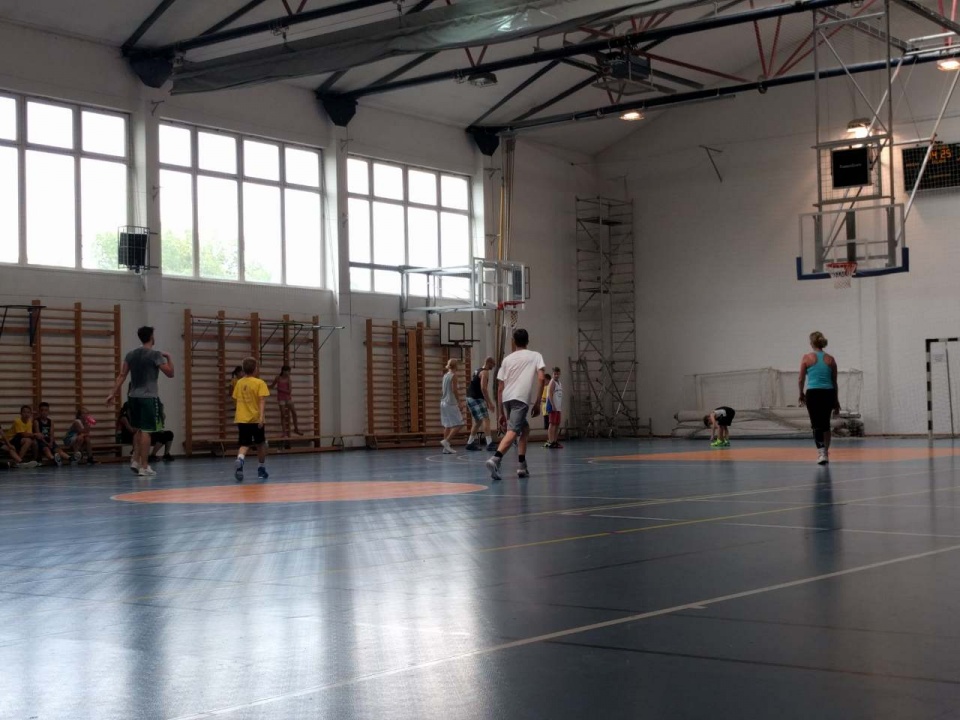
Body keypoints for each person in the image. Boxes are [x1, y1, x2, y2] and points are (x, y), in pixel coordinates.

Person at [106, 325, 175, 477]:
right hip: (148, 397)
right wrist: (169, 357)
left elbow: (122, 375)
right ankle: (144, 466)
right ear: (151, 337)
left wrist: (112, 393)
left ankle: (135, 460)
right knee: (146, 431)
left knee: (137, 429)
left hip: (133, 397)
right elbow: (170, 373)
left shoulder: (130, 354)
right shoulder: (155, 355)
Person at [486, 328, 546, 482]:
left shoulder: (507, 360)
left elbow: (500, 388)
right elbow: (541, 378)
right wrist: (538, 402)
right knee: (513, 431)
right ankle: (495, 459)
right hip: (520, 398)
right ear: (528, 341)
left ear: (514, 342)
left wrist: (500, 413)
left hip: (507, 398)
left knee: (524, 429)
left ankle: (521, 465)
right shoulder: (535, 355)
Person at [799, 331, 841, 465]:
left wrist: (801, 393)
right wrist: (836, 400)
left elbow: (801, 379)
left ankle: (821, 453)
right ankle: (825, 453)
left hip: (813, 393)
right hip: (828, 393)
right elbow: (834, 382)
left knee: (816, 425)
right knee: (825, 424)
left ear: (812, 343)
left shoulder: (806, 358)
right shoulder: (831, 359)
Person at [233, 356, 270, 482]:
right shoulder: (259, 383)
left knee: (244, 444)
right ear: (255, 369)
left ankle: (240, 459)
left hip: (242, 419)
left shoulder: (239, 383)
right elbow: (262, 401)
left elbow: (236, 399)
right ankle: (261, 469)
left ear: (244, 370)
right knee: (260, 444)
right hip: (255, 419)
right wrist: (261, 417)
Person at [465, 356, 496, 451]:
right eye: (493, 364)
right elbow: (483, 388)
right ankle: (489, 443)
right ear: (489, 362)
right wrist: (489, 402)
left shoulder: (477, 370)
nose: (493, 366)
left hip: (470, 397)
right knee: (486, 419)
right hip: (476, 398)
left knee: (478, 421)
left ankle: (470, 443)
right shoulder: (485, 372)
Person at [269, 365, 303, 438]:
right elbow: (272, 386)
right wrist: (264, 386)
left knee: (294, 413)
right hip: (281, 399)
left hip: (288, 399)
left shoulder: (288, 379)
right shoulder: (278, 378)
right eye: (287, 371)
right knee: (283, 415)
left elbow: (289, 391)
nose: (288, 373)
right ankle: (284, 432)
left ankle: (296, 429)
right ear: (283, 371)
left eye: (289, 371)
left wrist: (280, 389)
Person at [440, 358, 464, 454]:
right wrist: (459, 402)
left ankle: (446, 448)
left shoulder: (445, 375)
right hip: (450, 403)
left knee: (447, 425)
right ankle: (446, 441)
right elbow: (454, 390)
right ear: (456, 366)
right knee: (459, 424)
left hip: (443, 402)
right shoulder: (453, 376)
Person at [546, 367, 564, 449]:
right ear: (553, 374)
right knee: (552, 423)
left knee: (557, 424)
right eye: (555, 374)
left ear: (559, 374)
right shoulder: (552, 382)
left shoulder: (559, 383)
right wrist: (552, 404)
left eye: (557, 374)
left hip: (558, 406)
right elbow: (550, 394)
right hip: (553, 406)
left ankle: (555, 441)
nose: (556, 375)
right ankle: (551, 441)